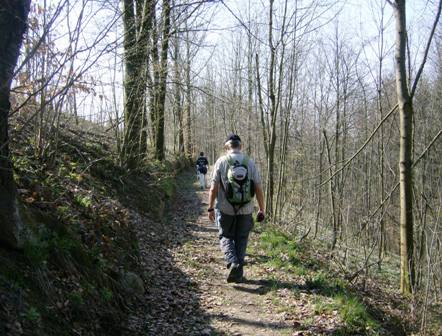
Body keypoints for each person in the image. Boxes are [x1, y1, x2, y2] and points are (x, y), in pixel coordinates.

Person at [207, 134, 265, 283]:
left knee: (225, 236)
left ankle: (233, 263)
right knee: (241, 239)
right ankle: (238, 273)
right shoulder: (250, 162)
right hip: (246, 209)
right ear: (241, 146)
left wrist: (210, 208)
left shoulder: (221, 161)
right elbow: (258, 188)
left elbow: (213, 188)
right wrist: (262, 209)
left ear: (227, 147)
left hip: (225, 209)